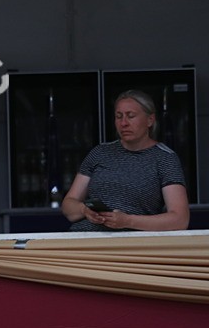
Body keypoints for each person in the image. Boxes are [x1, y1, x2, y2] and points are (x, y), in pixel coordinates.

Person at [61, 90, 189, 232]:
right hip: (84, 238)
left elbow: (180, 219)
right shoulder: (100, 152)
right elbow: (68, 204)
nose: (124, 123)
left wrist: (128, 221)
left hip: (130, 245)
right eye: (118, 116)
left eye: (131, 116)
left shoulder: (165, 158)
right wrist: (84, 210)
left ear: (150, 120)